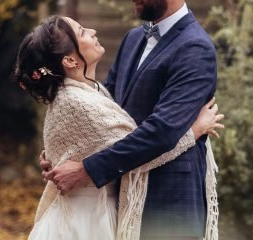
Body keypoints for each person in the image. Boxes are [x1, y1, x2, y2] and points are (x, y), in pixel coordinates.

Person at [43, 0, 220, 239]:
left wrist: (86, 169)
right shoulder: (133, 39)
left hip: (169, 200)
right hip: (123, 195)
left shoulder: (196, 49)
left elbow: (160, 132)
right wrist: (61, 149)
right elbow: (103, 110)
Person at [14, 15, 224, 240]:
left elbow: (94, 135)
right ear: (70, 61)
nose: (93, 31)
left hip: (96, 212)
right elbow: (138, 153)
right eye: (82, 32)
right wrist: (195, 129)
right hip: (85, 223)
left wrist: (58, 154)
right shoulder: (78, 102)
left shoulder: (86, 91)